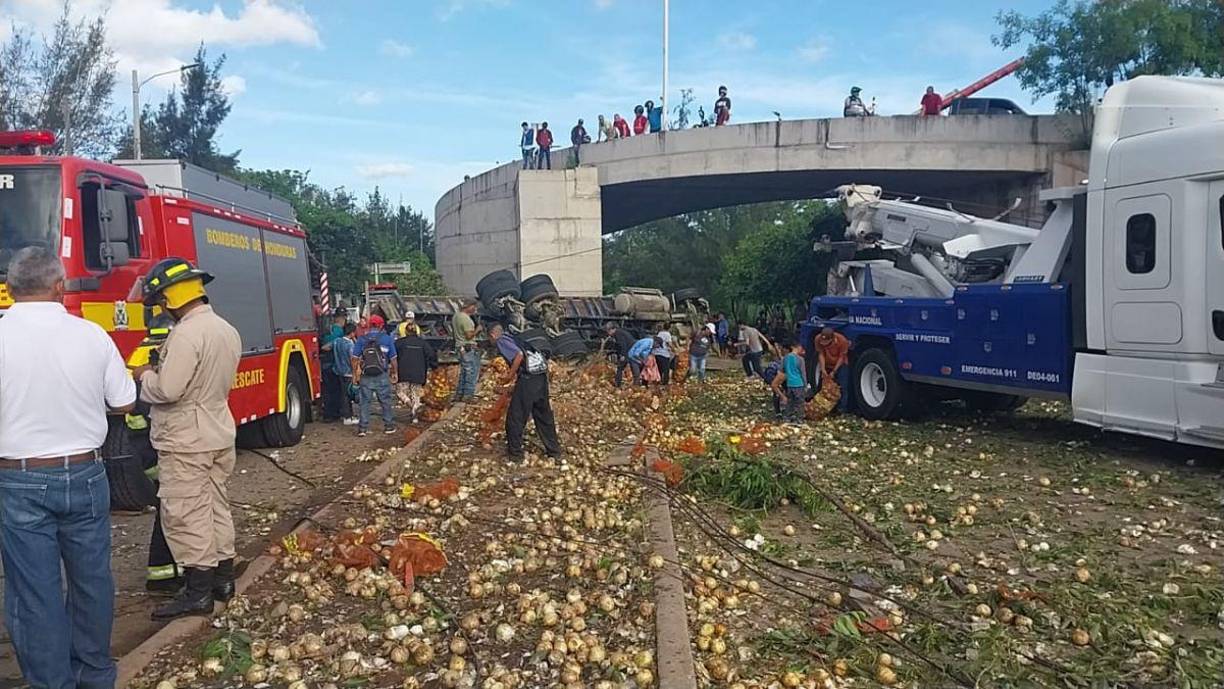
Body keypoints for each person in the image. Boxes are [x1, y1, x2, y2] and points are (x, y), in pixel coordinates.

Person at [0, 247, 136, 687]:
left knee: (34, 593)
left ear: (11, 287)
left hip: (17, 477)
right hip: (85, 473)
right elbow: (125, 400)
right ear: (59, 286)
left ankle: (52, 682)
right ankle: (96, 675)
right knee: (92, 582)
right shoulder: (91, 335)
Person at [131, 257, 242, 621]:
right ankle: (223, 580)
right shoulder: (225, 329)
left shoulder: (185, 334)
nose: (161, 307)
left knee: (186, 513)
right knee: (215, 506)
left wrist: (145, 375)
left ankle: (197, 594)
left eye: (161, 300)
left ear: (172, 298)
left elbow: (169, 389)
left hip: (186, 439)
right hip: (216, 431)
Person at [491, 323, 562, 462]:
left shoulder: (501, 340)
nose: (491, 342)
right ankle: (554, 451)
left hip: (529, 378)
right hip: (540, 376)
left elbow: (518, 355)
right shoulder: (515, 338)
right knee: (543, 415)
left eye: (490, 339)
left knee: (515, 417)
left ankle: (516, 455)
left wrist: (509, 376)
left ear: (493, 335)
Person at [352, 314, 398, 437]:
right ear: (381, 325)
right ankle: (389, 426)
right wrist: (394, 373)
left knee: (365, 402)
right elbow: (393, 359)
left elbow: (355, 358)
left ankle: (363, 428)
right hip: (382, 374)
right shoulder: (387, 339)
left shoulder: (362, 339)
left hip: (366, 375)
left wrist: (355, 374)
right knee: (385, 401)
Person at [395, 313, 437, 423]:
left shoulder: (399, 343)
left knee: (400, 392)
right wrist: (434, 366)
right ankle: (415, 414)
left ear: (406, 331)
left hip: (403, 372)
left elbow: (393, 356)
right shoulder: (423, 343)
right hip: (419, 373)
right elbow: (432, 354)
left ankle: (410, 406)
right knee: (416, 395)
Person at [814, 326, 852, 410]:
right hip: (827, 363)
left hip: (840, 364)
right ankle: (821, 407)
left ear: (833, 339)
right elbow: (821, 354)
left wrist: (834, 371)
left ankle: (842, 409)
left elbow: (841, 357)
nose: (825, 345)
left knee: (842, 386)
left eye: (827, 343)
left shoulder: (842, 341)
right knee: (821, 386)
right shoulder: (817, 339)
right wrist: (823, 369)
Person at [319, 308, 348, 421]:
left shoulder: (327, 329)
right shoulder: (340, 332)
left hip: (324, 363)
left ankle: (328, 413)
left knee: (327, 391)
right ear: (343, 318)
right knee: (337, 390)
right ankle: (334, 413)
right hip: (335, 365)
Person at [452, 299, 482, 401]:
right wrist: (477, 330)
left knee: (464, 372)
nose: (475, 309)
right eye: (474, 306)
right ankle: (468, 395)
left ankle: (460, 394)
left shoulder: (456, 316)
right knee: (471, 371)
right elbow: (469, 335)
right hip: (468, 348)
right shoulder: (465, 319)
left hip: (460, 347)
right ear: (469, 306)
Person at [774, 339, 809, 422]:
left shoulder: (785, 358)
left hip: (790, 384)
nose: (801, 349)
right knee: (800, 403)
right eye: (800, 347)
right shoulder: (800, 359)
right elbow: (803, 373)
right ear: (795, 347)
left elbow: (781, 369)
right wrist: (805, 385)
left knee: (790, 402)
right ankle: (799, 419)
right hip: (799, 383)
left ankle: (787, 417)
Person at [334, 322, 358, 424]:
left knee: (343, 394)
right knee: (348, 395)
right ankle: (348, 417)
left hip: (339, 371)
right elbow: (353, 360)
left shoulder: (337, 341)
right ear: (352, 333)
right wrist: (355, 374)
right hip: (348, 372)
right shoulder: (349, 345)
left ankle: (346, 416)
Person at [605, 322, 639, 387]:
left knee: (621, 367)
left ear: (612, 329)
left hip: (629, 351)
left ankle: (618, 383)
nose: (608, 333)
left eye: (608, 331)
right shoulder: (620, 333)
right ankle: (636, 384)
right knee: (633, 367)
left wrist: (623, 355)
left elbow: (623, 345)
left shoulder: (618, 334)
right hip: (631, 350)